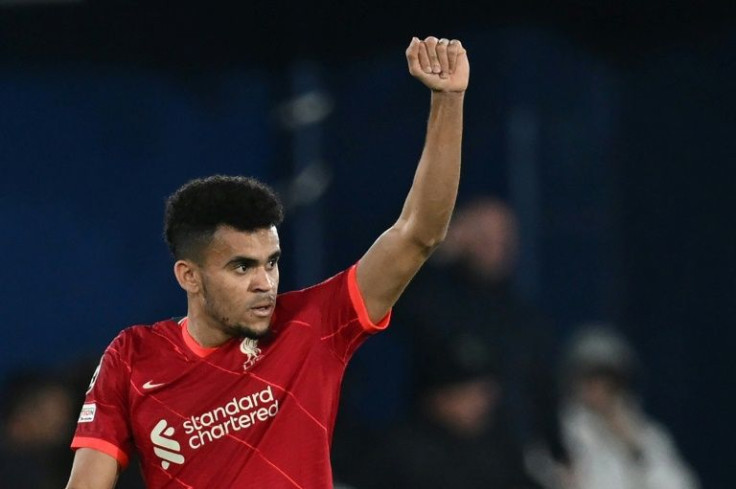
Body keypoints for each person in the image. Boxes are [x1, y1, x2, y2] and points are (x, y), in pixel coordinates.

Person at [64, 35, 469, 489]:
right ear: (189, 276)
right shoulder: (133, 357)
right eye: (242, 267)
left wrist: (448, 99)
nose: (265, 283)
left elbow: (418, 233)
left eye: (271, 263)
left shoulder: (313, 326)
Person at [389, 196, 568, 468]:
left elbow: (544, 391)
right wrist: (438, 250)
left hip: (514, 461)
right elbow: (393, 302)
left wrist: (560, 455)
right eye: (483, 234)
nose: (496, 245)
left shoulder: (525, 318)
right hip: (444, 458)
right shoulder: (435, 300)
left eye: (504, 237)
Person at [353, 331, 542, 489]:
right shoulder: (399, 453)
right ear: (437, 397)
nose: (481, 402)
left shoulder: (499, 443)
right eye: (467, 392)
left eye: (484, 391)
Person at [553, 323, 701, 489]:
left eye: (608, 382)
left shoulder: (646, 435)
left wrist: (634, 450)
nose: (599, 390)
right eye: (590, 380)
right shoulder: (558, 433)